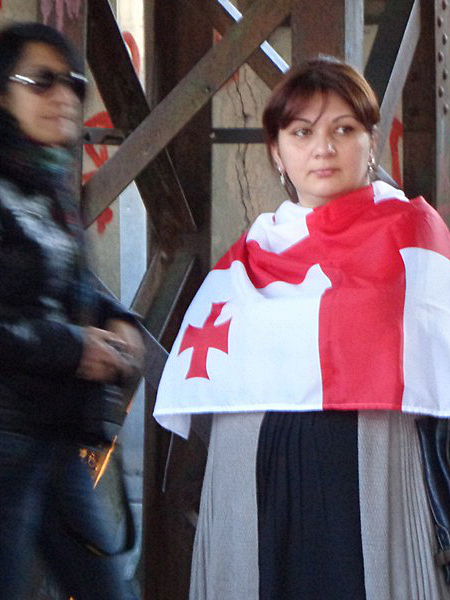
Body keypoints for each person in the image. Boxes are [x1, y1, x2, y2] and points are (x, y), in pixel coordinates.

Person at [154, 56, 450, 600]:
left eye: (344, 129)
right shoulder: (250, 252)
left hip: (368, 477)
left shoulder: (413, 233)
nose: (323, 148)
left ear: (372, 141)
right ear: (277, 151)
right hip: (255, 483)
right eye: (302, 132)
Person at [0, 22, 144, 600]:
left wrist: (116, 320)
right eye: (42, 81)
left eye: (74, 84)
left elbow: (67, 282)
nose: (63, 96)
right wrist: (73, 348)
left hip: (52, 439)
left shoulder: (47, 180)